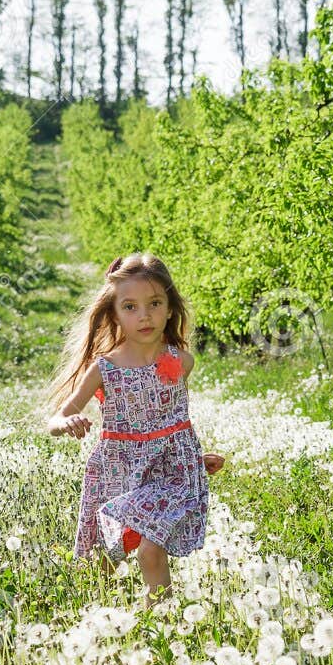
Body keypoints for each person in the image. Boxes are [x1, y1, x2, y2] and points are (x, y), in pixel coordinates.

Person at [42, 253, 225, 606]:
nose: (144, 316)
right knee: (103, 561)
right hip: (118, 471)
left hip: (170, 476)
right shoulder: (105, 369)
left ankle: (165, 627)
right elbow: (56, 419)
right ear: (114, 314)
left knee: (150, 551)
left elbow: (170, 421)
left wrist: (193, 460)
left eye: (154, 303)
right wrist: (66, 422)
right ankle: (101, 621)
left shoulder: (178, 362)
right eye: (130, 307)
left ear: (170, 308)